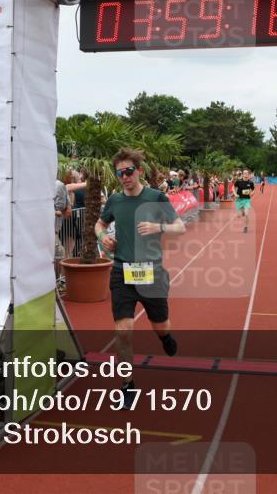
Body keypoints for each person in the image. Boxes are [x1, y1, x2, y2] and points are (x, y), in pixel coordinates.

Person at [95, 148, 186, 409]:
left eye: (128, 171)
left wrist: (158, 227)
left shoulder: (156, 198)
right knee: (123, 331)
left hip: (152, 272)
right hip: (122, 271)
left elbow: (180, 227)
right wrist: (103, 237)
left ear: (139, 171)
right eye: (119, 173)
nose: (124, 177)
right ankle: (127, 386)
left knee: (161, 324)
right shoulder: (114, 200)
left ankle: (165, 338)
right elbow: (99, 225)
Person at [234, 169, 256, 233]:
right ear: (243, 174)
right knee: (242, 213)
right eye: (245, 173)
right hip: (239, 200)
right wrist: (235, 194)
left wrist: (252, 193)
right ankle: (242, 212)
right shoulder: (238, 181)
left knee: (246, 214)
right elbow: (233, 187)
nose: (246, 175)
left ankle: (246, 227)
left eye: (247, 174)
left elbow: (253, 189)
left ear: (248, 175)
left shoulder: (250, 182)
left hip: (247, 199)